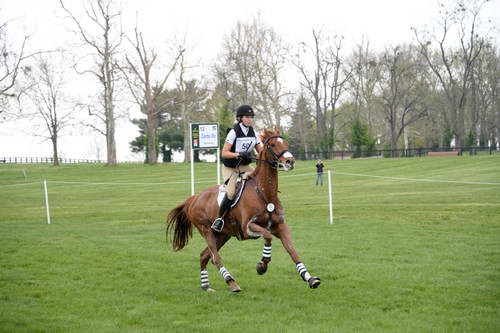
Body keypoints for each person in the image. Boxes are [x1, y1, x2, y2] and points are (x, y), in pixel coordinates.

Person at [211, 104, 264, 232]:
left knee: (260, 182)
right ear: (240, 118)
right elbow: (224, 153)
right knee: (230, 192)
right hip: (231, 168)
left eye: (251, 117)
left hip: (245, 166)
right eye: (247, 117)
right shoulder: (234, 132)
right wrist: (239, 154)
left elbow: (261, 151)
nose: (250, 119)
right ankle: (219, 219)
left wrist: (264, 157)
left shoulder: (253, 132)